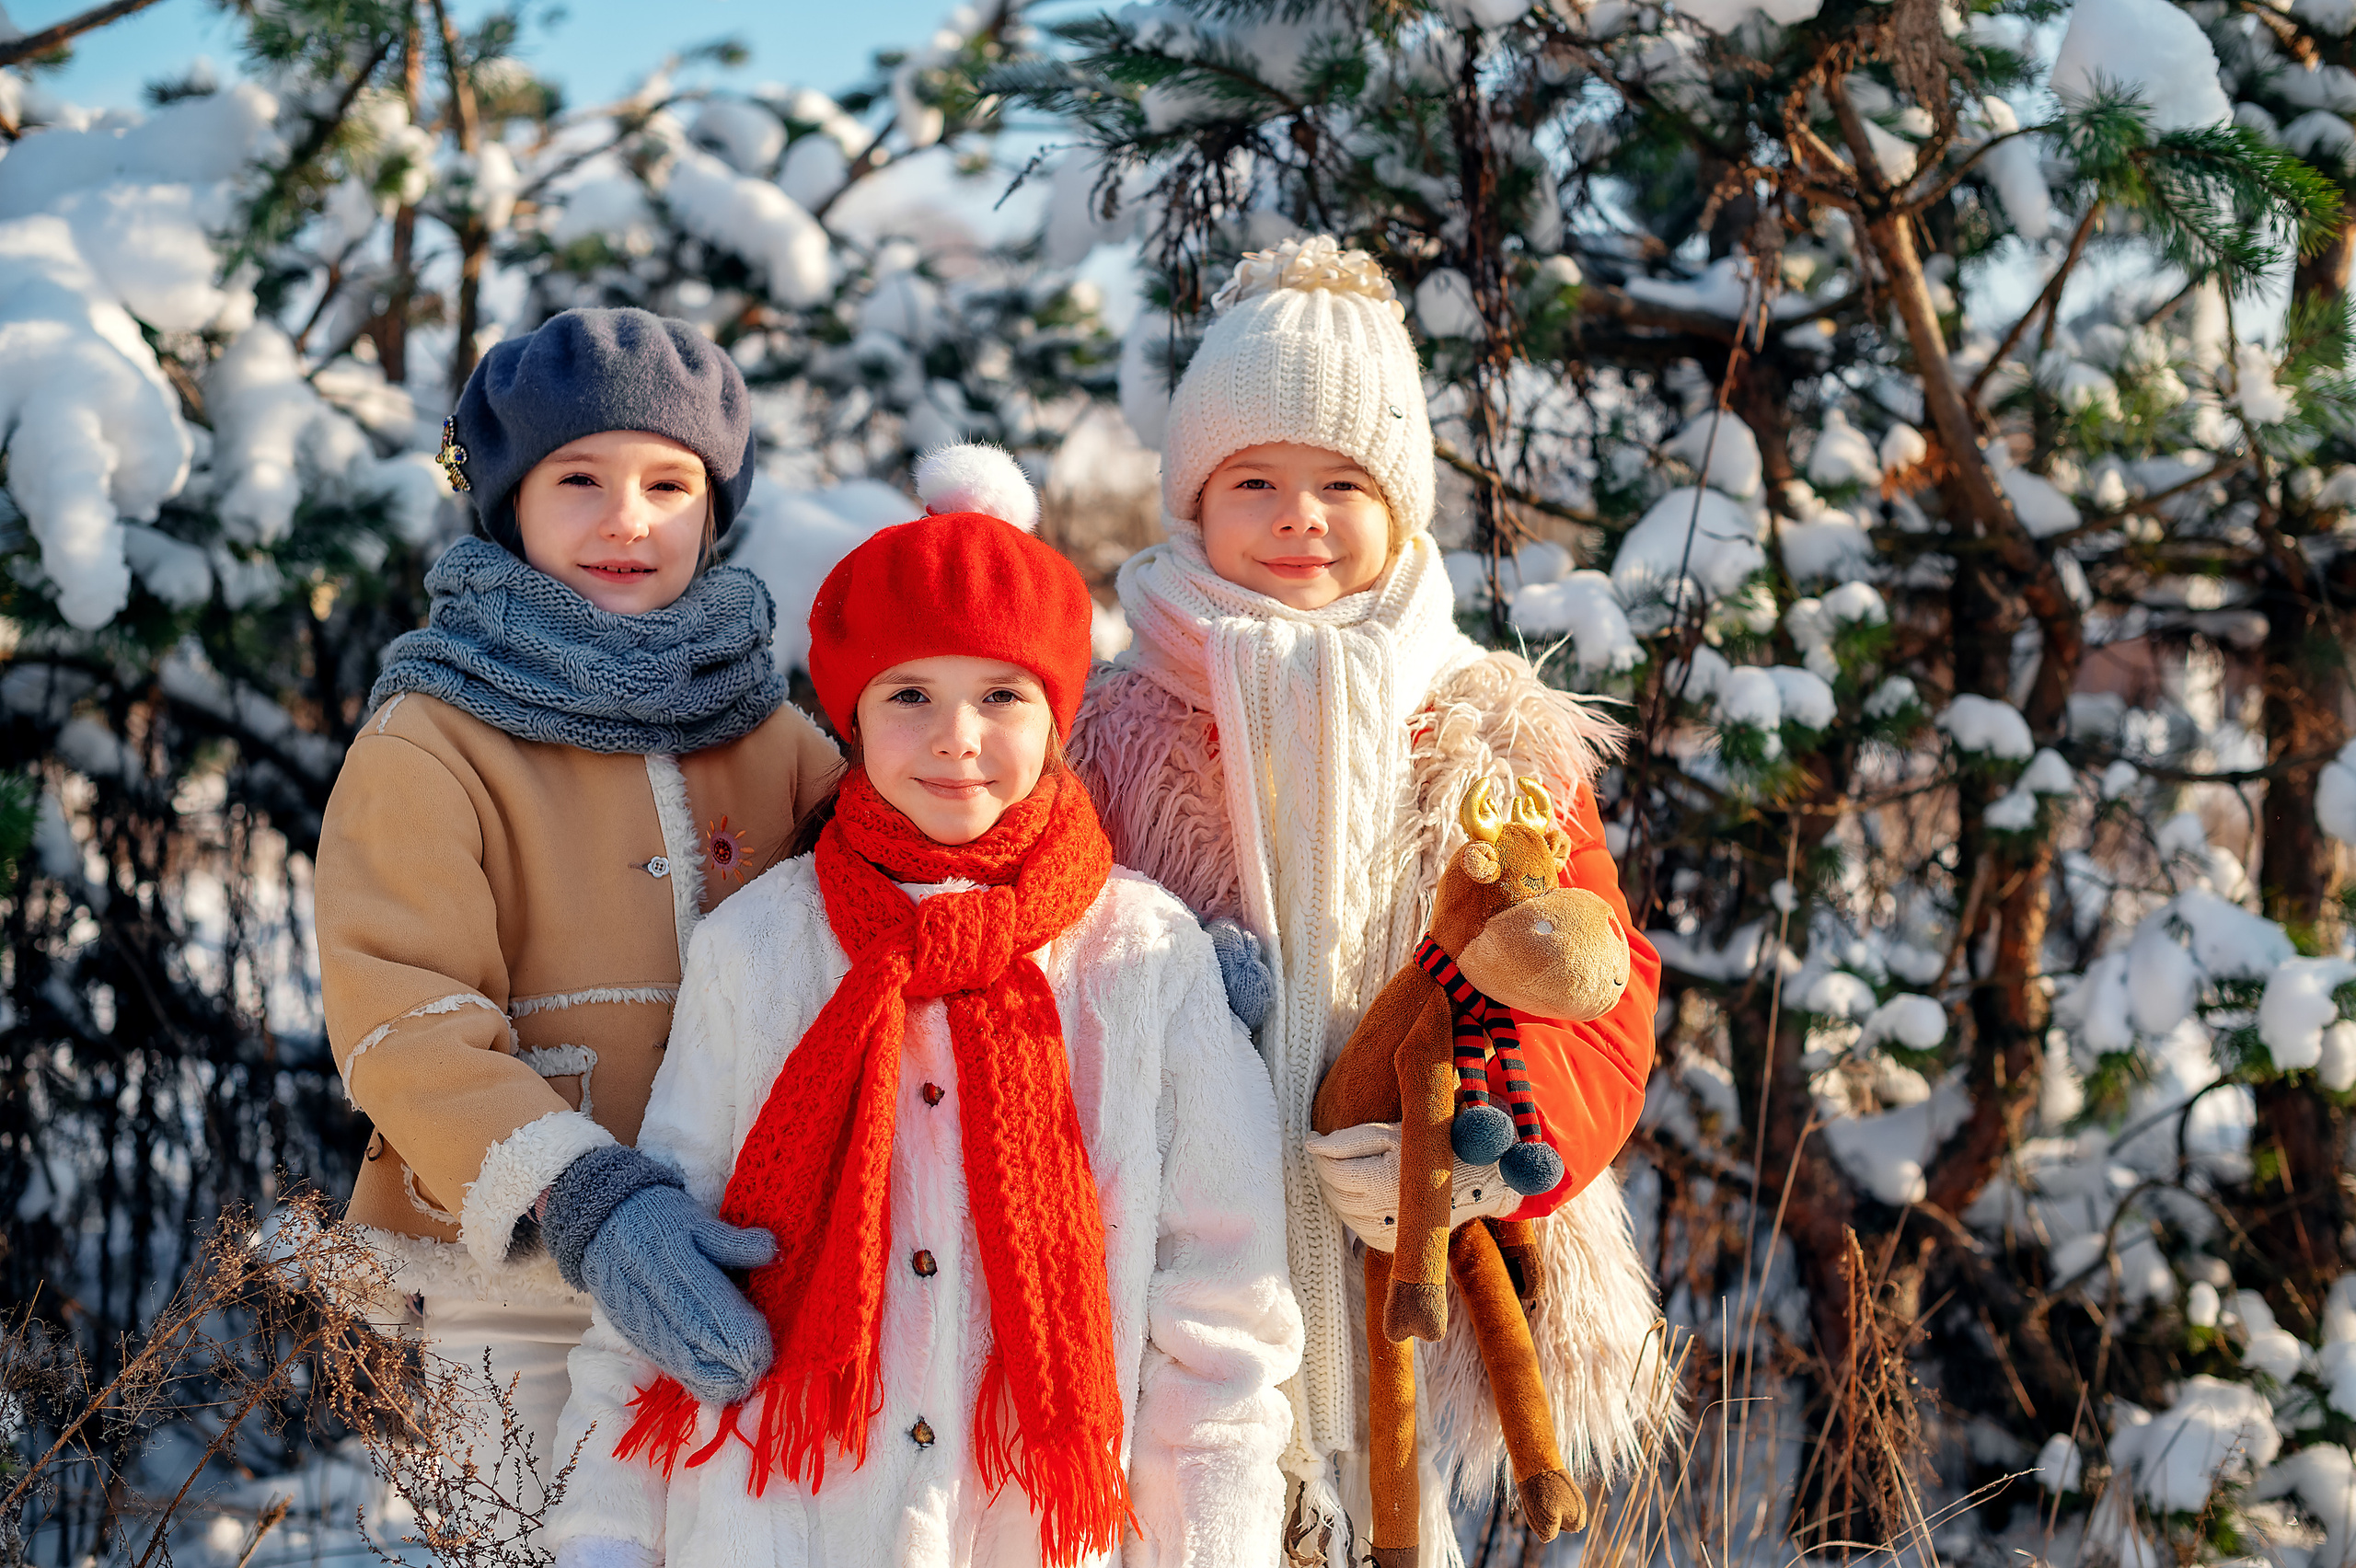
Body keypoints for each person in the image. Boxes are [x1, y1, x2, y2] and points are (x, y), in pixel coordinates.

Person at [545, 455, 1303, 1568]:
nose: (957, 738)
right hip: (778, 1520)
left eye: (1002, 695)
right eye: (911, 695)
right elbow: (661, 1301)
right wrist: (602, 1543)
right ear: (848, 715)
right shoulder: (759, 949)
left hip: (1032, 1531)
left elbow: (1221, 1312)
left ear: (1058, 715)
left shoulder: (1144, 959)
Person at [1065, 236, 1669, 1557]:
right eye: (1256, 482)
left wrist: (1489, 1152)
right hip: (1178, 1269)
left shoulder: (1489, 733)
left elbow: (1595, 989)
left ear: (1402, 505)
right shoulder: (1110, 731)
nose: (1300, 518)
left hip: (1411, 1265)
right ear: (1192, 502)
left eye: (1343, 482)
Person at [318, 307, 838, 1489]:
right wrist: (583, 1198)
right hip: (507, 1291)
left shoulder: (772, 735)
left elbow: (916, 886)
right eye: (579, 478)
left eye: (669, 483)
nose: (627, 519)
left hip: (743, 1262)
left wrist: (1118, 953)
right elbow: (405, 1022)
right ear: (508, 502)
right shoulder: (432, 739)